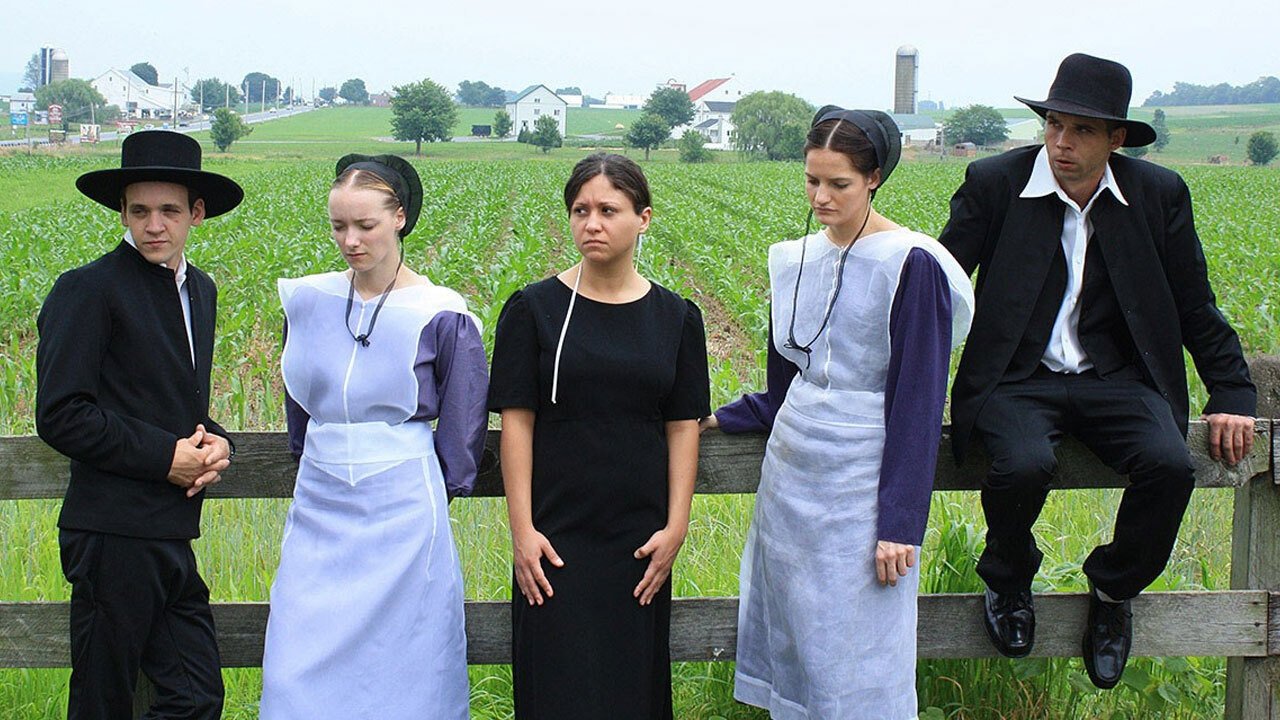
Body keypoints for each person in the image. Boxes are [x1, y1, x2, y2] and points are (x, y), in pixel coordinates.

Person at [938, 53, 1257, 689]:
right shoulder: (994, 183)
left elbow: (1195, 302)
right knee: (1022, 464)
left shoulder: (1157, 195)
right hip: (1015, 379)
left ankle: (1112, 593)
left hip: (1118, 378)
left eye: (1081, 130)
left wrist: (1232, 390)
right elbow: (941, 288)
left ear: (1116, 139)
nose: (1061, 142)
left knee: (1170, 466)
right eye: (1054, 125)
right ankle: (1007, 578)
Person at [705, 107, 974, 719]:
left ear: (875, 176)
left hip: (862, 473)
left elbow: (919, 400)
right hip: (791, 473)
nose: (821, 197)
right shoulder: (792, 258)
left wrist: (900, 521)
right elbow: (784, 380)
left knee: (858, 643)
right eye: (811, 181)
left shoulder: (911, 263)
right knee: (797, 629)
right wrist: (730, 416)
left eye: (839, 184)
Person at [259, 154, 487, 719]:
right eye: (339, 226)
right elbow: (297, 403)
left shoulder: (442, 312)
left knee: (407, 652)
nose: (350, 241)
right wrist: (314, 456)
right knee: (300, 641)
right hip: (319, 499)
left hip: (405, 504)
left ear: (400, 218)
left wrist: (446, 484)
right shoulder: (309, 301)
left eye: (366, 225)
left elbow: (462, 425)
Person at [488, 153, 710, 720]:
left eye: (609, 210)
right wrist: (523, 532)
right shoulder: (532, 310)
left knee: (631, 689)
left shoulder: (677, 317)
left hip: (639, 543)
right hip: (555, 542)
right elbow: (516, 423)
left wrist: (676, 526)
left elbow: (684, 425)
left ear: (643, 218)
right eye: (580, 210)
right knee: (557, 687)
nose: (592, 223)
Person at [36, 130, 242, 720]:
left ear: (196, 214)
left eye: (170, 211)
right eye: (140, 211)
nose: (154, 225)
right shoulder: (87, 290)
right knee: (103, 700)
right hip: (111, 532)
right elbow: (60, 413)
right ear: (122, 212)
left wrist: (214, 440)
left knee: (197, 696)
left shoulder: (200, 290)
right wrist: (165, 458)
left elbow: (173, 401)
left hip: (172, 532)